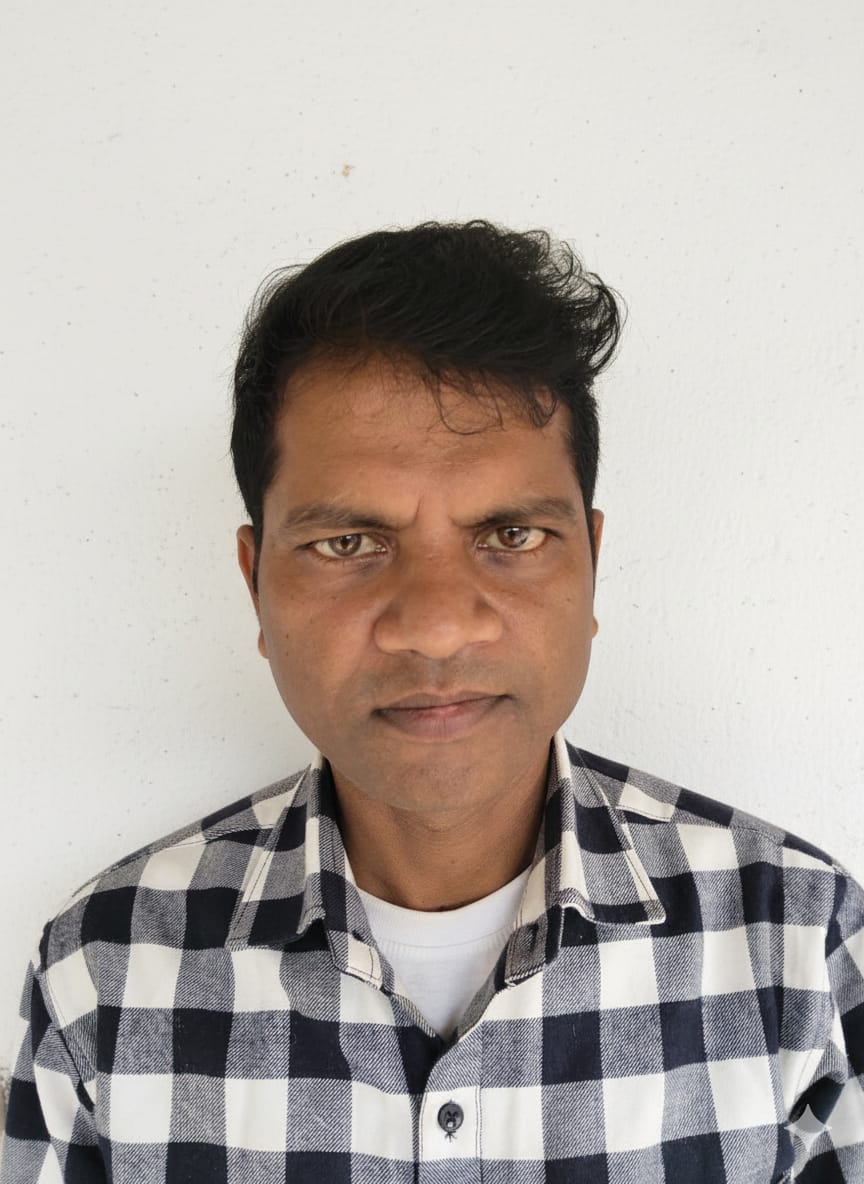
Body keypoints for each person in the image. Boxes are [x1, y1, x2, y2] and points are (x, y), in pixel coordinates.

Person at [2, 222, 862, 1183]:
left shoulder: (797, 945)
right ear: (255, 585)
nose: (438, 627)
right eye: (348, 544)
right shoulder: (106, 971)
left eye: (512, 535)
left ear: (592, 562)